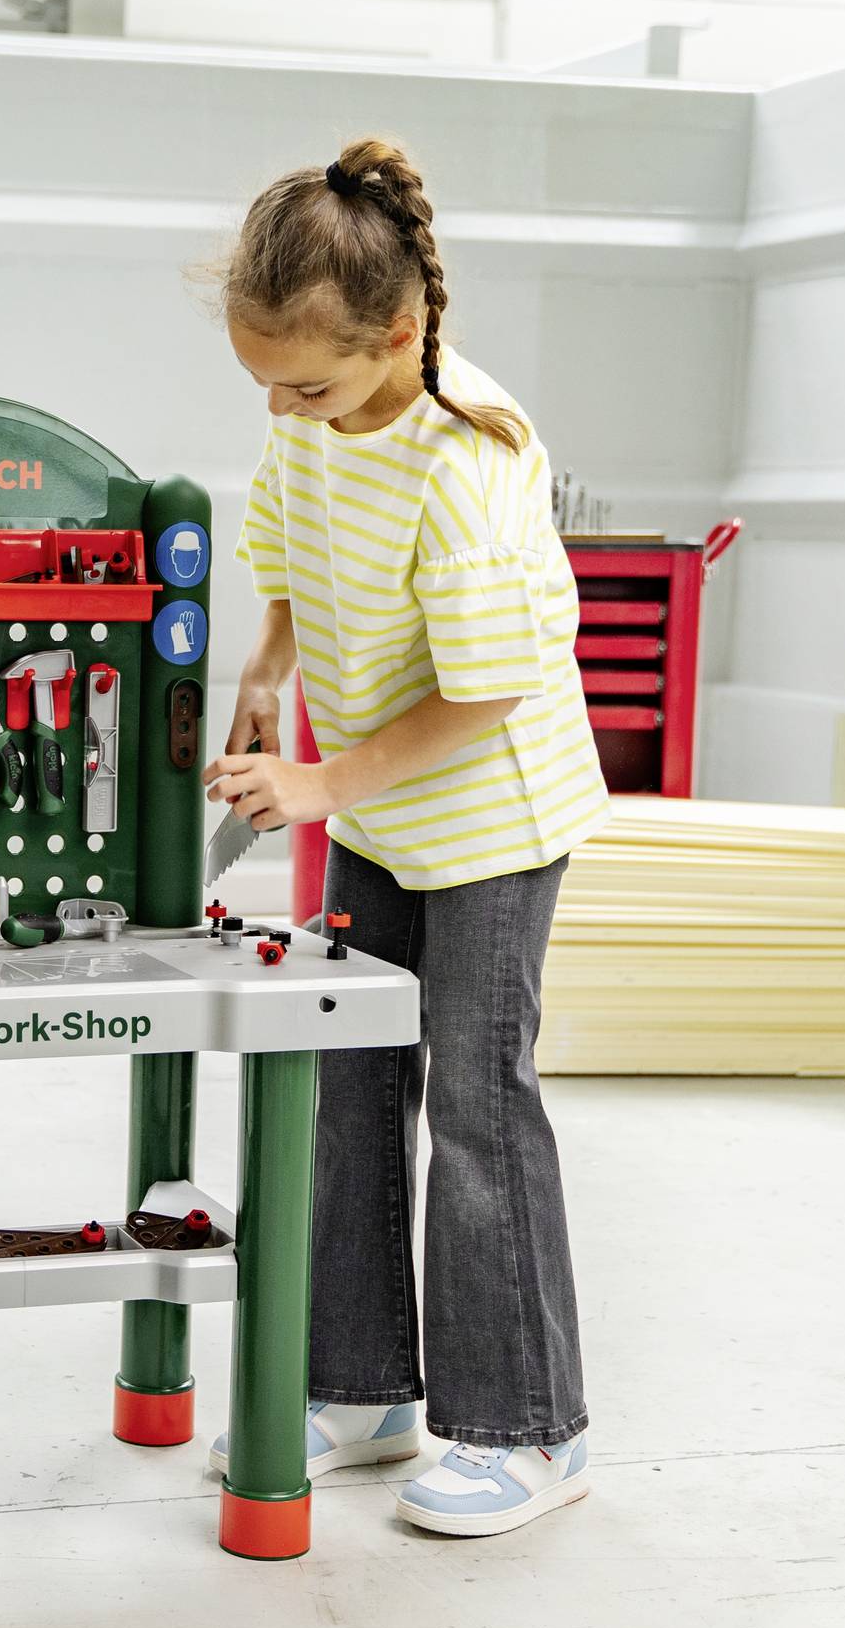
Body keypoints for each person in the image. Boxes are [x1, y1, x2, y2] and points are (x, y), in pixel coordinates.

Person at [199, 140, 604, 1540]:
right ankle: (363, 1389)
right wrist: (269, 664)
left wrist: (316, 783)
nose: (281, 405)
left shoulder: (468, 460)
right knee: (354, 1081)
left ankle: (529, 1429)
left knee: (480, 1105)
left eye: (302, 382)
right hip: (377, 798)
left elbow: (484, 696)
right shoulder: (309, 408)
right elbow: (296, 546)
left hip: (493, 812)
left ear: (400, 335)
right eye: (264, 381)